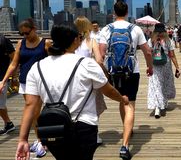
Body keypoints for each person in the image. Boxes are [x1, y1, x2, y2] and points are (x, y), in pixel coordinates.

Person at [15, 24, 129, 160]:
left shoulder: (37, 67)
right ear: (75, 40)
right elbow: (108, 90)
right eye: (80, 38)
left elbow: (30, 105)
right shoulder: (87, 64)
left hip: (53, 128)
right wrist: (122, 99)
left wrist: (23, 139)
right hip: (83, 127)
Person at [99, 1, 153, 160]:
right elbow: (147, 52)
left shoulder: (106, 29)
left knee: (123, 102)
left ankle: (126, 129)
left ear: (113, 13)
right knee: (130, 104)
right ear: (127, 12)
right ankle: (125, 145)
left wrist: (105, 73)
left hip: (114, 72)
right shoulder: (135, 29)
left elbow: (101, 55)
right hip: (132, 71)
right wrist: (150, 68)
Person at [0, 18, 51, 157]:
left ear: (34, 28)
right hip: (25, 82)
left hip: (41, 82)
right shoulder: (21, 43)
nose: (24, 36)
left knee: (35, 112)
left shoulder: (45, 43)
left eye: (27, 33)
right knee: (34, 114)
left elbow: (54, 62)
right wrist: (4, 80)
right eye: (22, 33)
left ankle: (42, 141)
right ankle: (41, 140)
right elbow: (14, 64)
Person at [74, 16, 106, 145]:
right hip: (88, 77)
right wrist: (104, 71)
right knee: (93, 105)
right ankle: (94, 134)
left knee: (75, 105)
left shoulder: (71, 40)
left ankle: (76, 133)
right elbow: (99, 60)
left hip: (73, 77)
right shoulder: (91, 41)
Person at [147, 23, 180, 118]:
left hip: (155, 66)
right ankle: (160, 106)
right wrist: (177, 67)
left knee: (156, 85)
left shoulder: (150, 41)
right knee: (164, 84)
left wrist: (149, 66)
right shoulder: (168, 41)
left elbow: (149, 54)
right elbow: (172, 55)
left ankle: (159, 106)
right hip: (166, 65)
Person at [0, 34, 16, 135]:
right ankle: (8, 124)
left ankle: (9, 124)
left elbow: (14, 59)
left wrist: (14, 77)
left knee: (0, 105)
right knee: (0, 105)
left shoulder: (4, 40)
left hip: (2, 78)